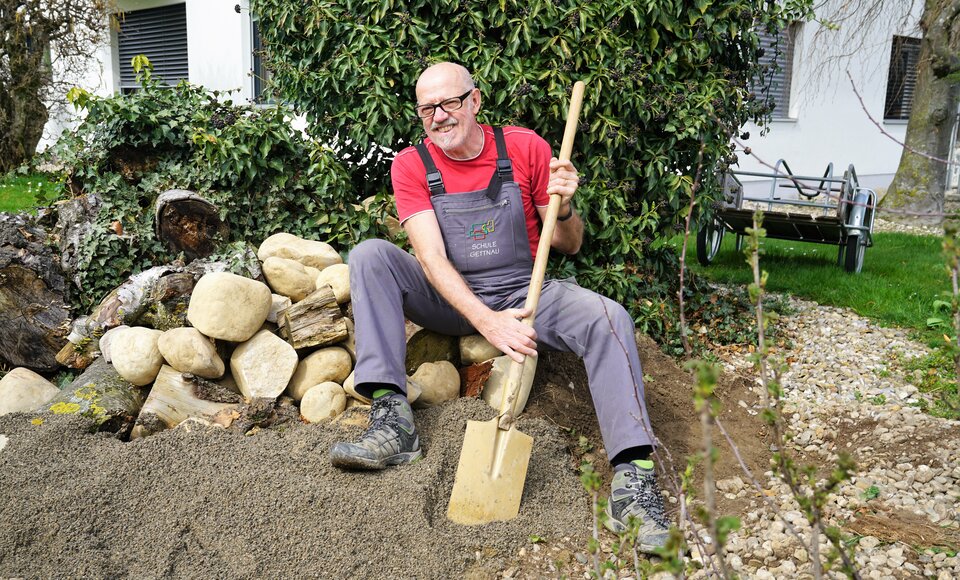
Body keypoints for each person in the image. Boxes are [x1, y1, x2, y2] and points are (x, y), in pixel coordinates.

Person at [329, 62, 670, 551]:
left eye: (449, 102)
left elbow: (569, 245)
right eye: (428, 108)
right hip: (450, 297)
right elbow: (430, 258)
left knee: (609, 318)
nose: (439, 116)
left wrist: (566, 206)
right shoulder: (411, 164)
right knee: (369, 256)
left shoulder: (525, 148)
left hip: (526, 292)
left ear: (475, 100)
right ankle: (392, 418)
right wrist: (486, 322)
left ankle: (632, 482)